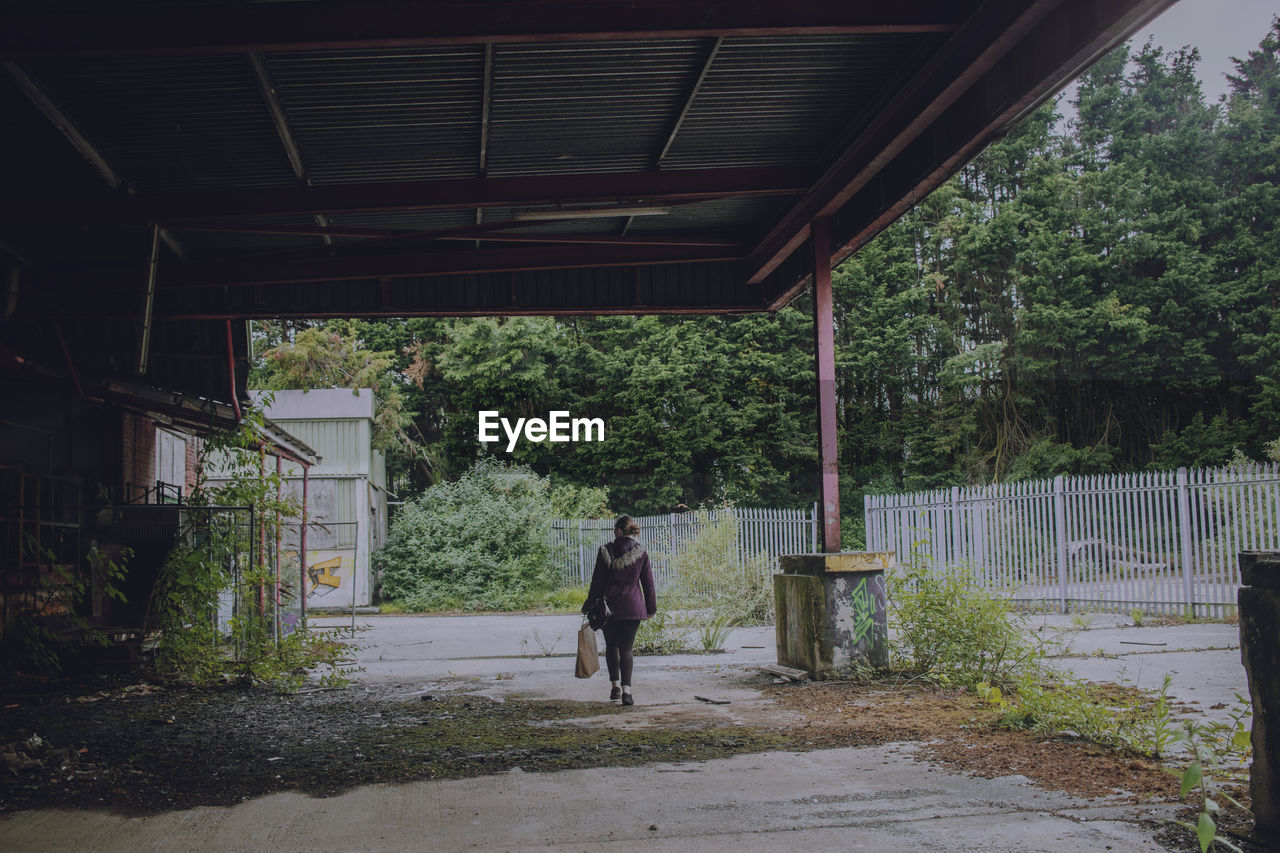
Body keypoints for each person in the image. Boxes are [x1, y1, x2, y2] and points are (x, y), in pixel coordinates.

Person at [582, 514, 656, 706]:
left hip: (609, 608)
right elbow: (648, 584)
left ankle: (614, 687)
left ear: (618, 531)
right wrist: (651, 609)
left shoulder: (605, 551)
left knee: (612, 646)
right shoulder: (641, 553)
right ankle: (627, 692)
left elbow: (596, 582)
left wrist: (588, 604)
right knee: (627, 649)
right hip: (633, 607)